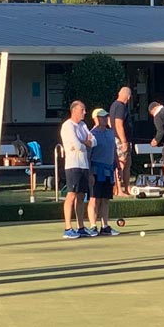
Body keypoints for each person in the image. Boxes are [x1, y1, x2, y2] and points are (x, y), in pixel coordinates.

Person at [60, 100, 97, 239]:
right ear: (74, 110)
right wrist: (84, 142)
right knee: (72, 194)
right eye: (82, 110)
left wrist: (85, 142)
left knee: (81, 196)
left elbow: (94, 141)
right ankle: (68, 228)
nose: (85, 112)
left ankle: (80, 227)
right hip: (73, 165)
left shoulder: (83, 125)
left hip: (84, 165)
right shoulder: (67, 126)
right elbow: (77, 145)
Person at [88, 108, 120, 236]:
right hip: (96, 170)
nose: (105, 119)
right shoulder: (91, 134)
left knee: (105, 199)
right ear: (96, 118)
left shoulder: (111, 133)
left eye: (106, 117)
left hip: (109, 170)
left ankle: (105, 226)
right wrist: (89, 173)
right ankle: (92, 226)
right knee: (94, 198)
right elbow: (88, 155)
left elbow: (114, 150)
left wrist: (117, 165)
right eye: (102, 117)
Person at [109, 86, 133, 197]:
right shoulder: (120, 107)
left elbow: (110, 121)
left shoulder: (114, 105)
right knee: (121, 164)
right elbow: (118, 124)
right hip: (120, 139)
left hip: (122, 139)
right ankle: (119, 190)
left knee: (127, 164)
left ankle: (127, 188)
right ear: (128, 97)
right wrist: (123, 141)